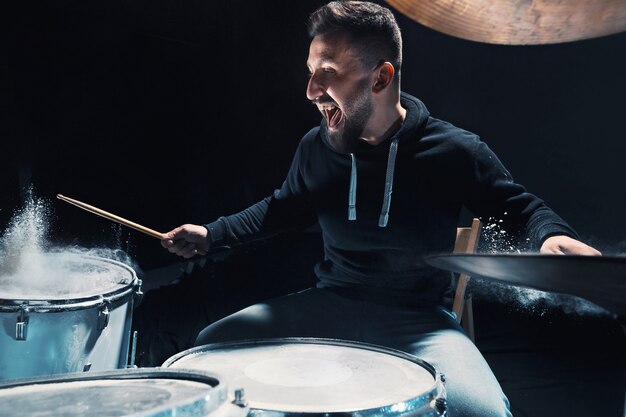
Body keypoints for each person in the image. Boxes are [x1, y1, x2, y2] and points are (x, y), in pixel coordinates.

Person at [161, 1, 600, 415]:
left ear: (380, 77)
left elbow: (519, 209)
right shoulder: (317, 145)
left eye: (327, 74)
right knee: (207, 356)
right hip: (329, 303)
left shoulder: (453, 150)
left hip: (420, 323)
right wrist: (211, 234)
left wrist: (553, 236)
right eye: (311, 73)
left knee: (482, 410)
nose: (312, 91)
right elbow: (283, 209)